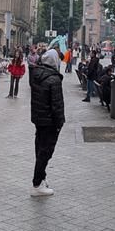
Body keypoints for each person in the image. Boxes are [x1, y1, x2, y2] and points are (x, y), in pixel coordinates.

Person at [30, 48, 65, 197]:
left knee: (40, 149)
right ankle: (37, 184)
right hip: (50, 121)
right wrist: (60, 123)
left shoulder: (36, 75)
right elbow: (57, 104)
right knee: (45, 152)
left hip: (39, 119)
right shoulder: (53, 79)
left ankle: (41, 178)